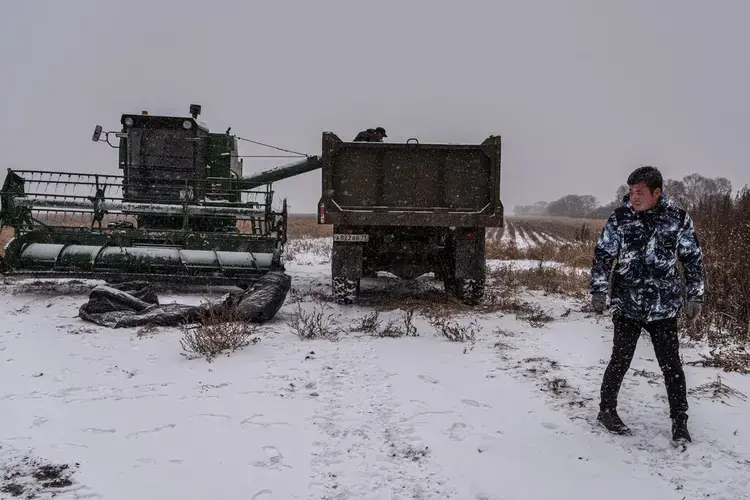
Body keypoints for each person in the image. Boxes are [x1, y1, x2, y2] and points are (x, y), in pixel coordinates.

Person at [589, 166, 705, 444]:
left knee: (671, 366)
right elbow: (604, 254)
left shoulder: (677, 219)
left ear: (657, 192)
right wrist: (598, 289)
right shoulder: (620, 218)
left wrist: (695, 295)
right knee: (620, 360)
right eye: (630, 191)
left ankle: (680, 421)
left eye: (640, 192)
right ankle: (607, 411)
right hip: (627, 304)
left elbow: (692, 259)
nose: (634, 197)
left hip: (663, 306)